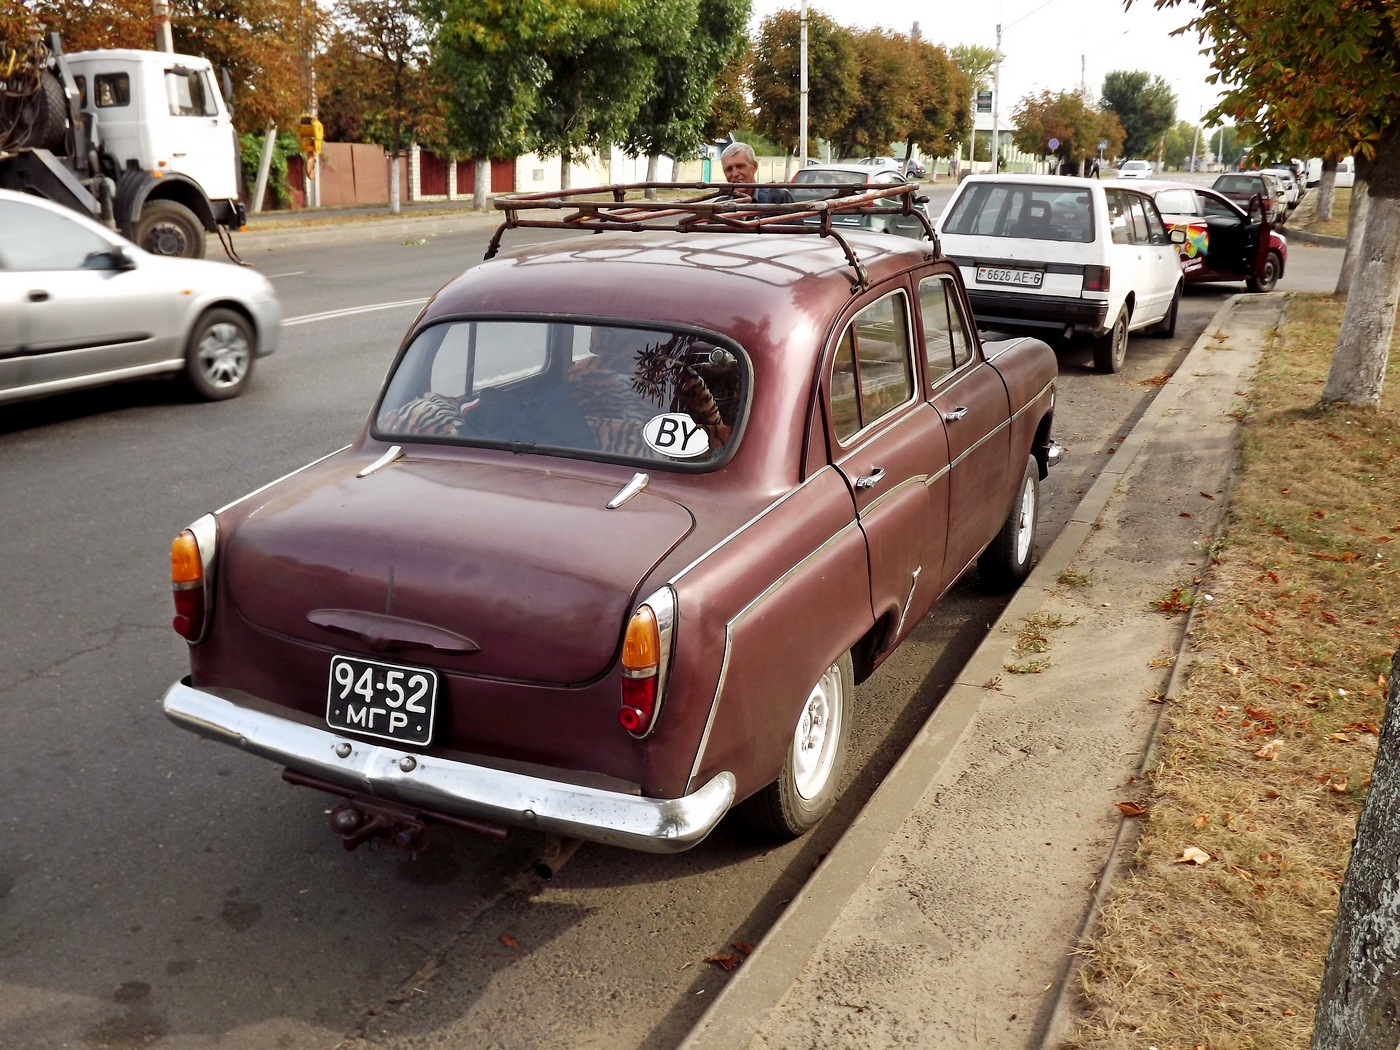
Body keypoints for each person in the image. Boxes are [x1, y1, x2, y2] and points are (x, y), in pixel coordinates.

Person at [719, 141, 794, 204]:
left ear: (754, 167)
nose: (735, 174)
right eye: (729, 169)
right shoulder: (719, 206)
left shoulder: (778, 198)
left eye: (740, 166)